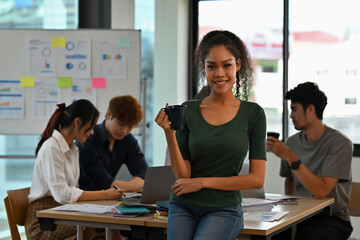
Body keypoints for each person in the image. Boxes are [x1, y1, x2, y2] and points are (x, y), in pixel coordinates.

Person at [155, 30, 267, 240]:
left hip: (224, 209)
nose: (219, 74)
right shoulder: (189, 110)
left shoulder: (254, 114)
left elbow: (256, 179)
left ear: (238, 65)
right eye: (211, 66)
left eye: (227, 65)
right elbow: (183, 177)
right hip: (183, 206)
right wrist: (169, 135)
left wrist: (203, 182)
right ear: (203, 69)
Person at [25, 100, 124, 240]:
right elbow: (62, 195)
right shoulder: (51, 147)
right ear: (77, 122)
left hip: (62, 213)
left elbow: (71, 191)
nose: (92, 132)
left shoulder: (73, 149)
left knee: (111, 224)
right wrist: (104, 194)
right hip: (42, 222)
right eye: (90, 127)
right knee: (102, 224)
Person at [267, 82, 353, 240]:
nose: (291, 116)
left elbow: (321, 191)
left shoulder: (340, 144)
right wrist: (290, 211)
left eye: (294, 109)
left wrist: (291, 158)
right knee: (270, 235)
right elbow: (290, 180)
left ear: (311, 109)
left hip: (332, 219)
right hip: (300, 216)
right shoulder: (291, 143)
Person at [77, 95, 148, 192]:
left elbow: (143, 172)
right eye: (121, 124)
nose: (124, 131)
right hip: (83, 200)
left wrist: (134, 184)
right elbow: (104, 183)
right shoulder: (87, 139)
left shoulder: (128, 140)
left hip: (108, 199)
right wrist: (135, 185)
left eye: (130, 127)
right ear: (109, 114)